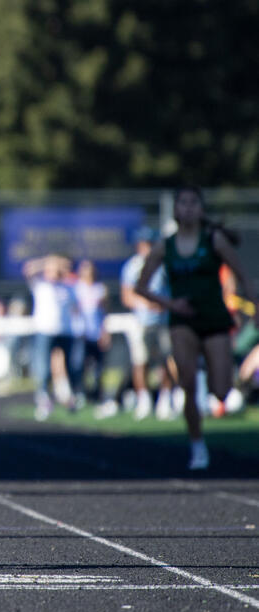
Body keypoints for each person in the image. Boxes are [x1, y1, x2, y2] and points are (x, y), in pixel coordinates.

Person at [134, 187, 254, 470]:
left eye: (193, 203)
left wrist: (256, 306)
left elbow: (242, 275)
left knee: (222, 391)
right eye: (182, 203)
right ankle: (197, 445)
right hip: (182, 321)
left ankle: (212, 370)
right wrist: (171, 304)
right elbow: (141, 287)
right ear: (176, 210)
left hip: (214, 319)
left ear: (201, 210)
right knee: (187, 382)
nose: (187, 208)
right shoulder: (165, 246)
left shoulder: (214, 240)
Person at [114, 227, 175, 420]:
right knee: (141, 362)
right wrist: (147, 304)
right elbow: (127, 296)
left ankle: (165, 399)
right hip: (141, 322)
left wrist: (163, 305)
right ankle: (144, 400)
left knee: (167, 360)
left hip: (163, 321)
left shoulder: (164, 265)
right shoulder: (132, 266)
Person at [23, 254, 82, 420]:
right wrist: (47, 262)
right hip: (45, 331)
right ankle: (43, 400)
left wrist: (60, 267)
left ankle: (70, 397)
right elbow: (28, 269)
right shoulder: (40, 285)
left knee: (71, 367)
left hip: (65, 332)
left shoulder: (69, 287)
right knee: (43, 369)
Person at [73, 260, 110, 407]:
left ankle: (96, 395)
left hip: (96, 333)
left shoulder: (100, 289)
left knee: (98, 367)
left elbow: (104, 313)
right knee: (79, 365)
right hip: (80, 334)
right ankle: (80, 393)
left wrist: (104, 331)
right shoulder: (75, 289)